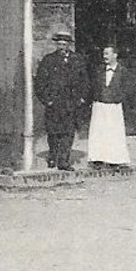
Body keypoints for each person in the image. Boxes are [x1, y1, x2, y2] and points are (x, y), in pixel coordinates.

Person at [34, 29, 91, 170]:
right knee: (53, 133)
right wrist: (48, 100)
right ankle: (53, 157)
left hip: (71, 104)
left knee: (68, 132)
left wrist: (81, 99)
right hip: (54, 104)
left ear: (69, 45)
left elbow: (84, 81)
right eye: (59, 44)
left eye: (64, 44)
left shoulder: (77, 60)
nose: (62, 47)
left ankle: (64, 161)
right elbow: (40, 83)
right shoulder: (48, 60)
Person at [87, 44, 133, 167]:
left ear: (115, 55)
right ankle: (97, 158)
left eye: (107, 53)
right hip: (100, 105)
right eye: (104, 54)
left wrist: (118, 98)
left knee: (114, 133)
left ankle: (115, 159)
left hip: (114, 106)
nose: (104, 56)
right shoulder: (99, 70)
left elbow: (128, 89)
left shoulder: (123, 71)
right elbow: (93, 86)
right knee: (98, 132)